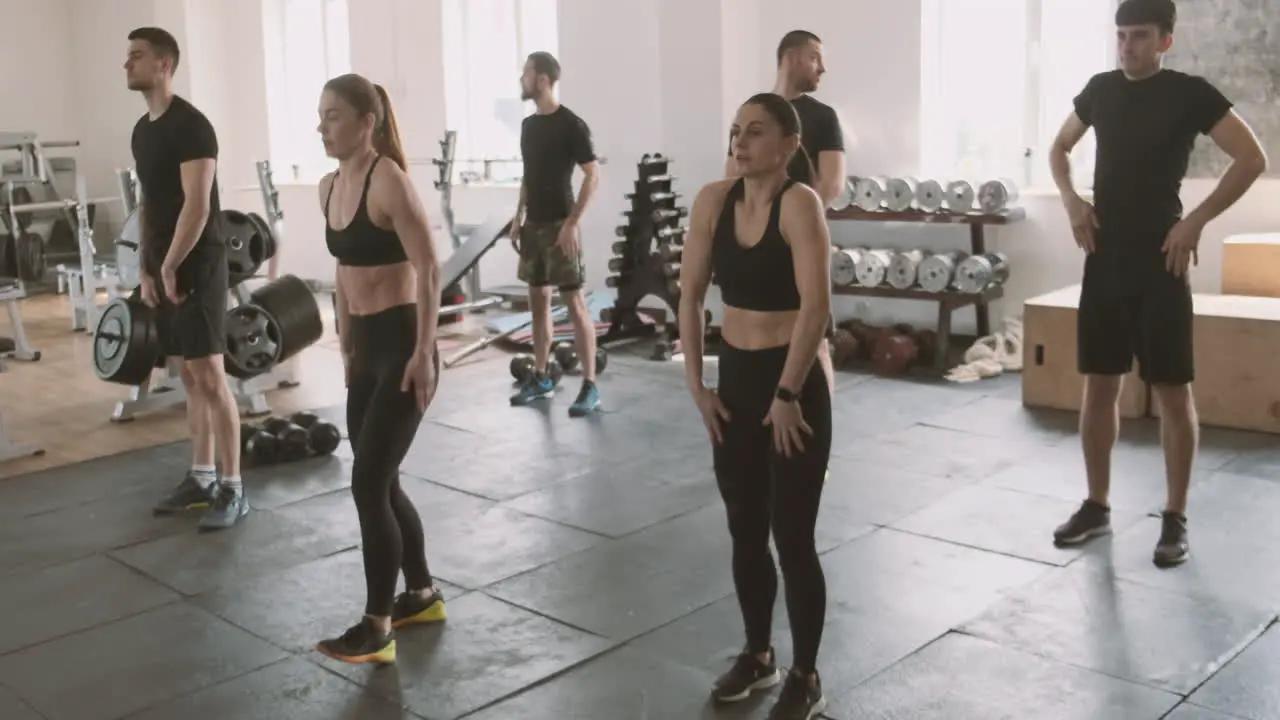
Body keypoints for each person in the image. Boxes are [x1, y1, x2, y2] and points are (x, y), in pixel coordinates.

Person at [1049, 0, 1267, 567]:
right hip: (1104, 257)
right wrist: (1072, 201)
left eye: (1139, 37)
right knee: (1100, 385)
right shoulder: (1099, 89)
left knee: (1173, 390)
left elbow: (1251, 158)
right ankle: (1096, 507)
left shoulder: (1190, 93)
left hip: (1161, 262)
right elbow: (1058, 148)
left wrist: (1195, 220)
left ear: (1165, 41)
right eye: (1121, 36)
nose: (1128, 47)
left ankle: (1175, 517)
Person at [681, 93, 833, 720]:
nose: (741, 142)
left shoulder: (801, 204)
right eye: (736, 132)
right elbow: (689, 296)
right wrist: (697, 384)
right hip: (736, 380)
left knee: (791, 535)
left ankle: (805, 672)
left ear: (789, 145)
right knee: (745, 526)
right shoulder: (712, 201)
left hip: (791, 385)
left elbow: (816, 305)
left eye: (756, 132)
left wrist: (789, 394)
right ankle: (758, 653)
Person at [313, 73, 448, 664]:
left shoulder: (388, 179)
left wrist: (424, 351)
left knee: (368, 482)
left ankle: (377, 627)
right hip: (364, 349)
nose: (323, 126)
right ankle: (420, 593)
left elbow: (430, 267)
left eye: (334, 115)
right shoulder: (326, 187)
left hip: (401, 346)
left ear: (367, 122)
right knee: (384, 479)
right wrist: (344, 342)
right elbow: (344, 272)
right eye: (320, 116)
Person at [126, 27, 246, 531]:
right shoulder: (142, 130)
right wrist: (145, 267)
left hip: (198, 262)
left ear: (165, 65)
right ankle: (200, 476)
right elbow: (151, 205)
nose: (127, 65)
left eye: (137, 56)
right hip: (166, 262)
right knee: (191, 376)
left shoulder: (193, 126)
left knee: (213, 376)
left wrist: (172, 264)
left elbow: (197, 206)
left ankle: (234, 487)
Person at [727, 30, 846, 396]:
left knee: (815, 339)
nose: (822, 68)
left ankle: (817, 426)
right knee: (758, 337)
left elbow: (832, 184)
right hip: (755, 243)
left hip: (799, 244)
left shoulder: (823, 117)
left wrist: (795, 227)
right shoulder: (751, 114)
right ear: (793, 57)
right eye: (815, 58)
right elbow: (732, 179)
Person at [508, 51, 603, 416]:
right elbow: (528, 176)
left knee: (575, 305)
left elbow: (593, 175)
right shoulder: (528, 127)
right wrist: (518, 217)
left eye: (527, 73)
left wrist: (572, 223)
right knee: (537, 303)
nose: (522, 79)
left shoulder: (571, 125)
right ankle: (543, 377)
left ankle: (591, 386)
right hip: (533, 226)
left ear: (543, 78)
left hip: (561, 226)